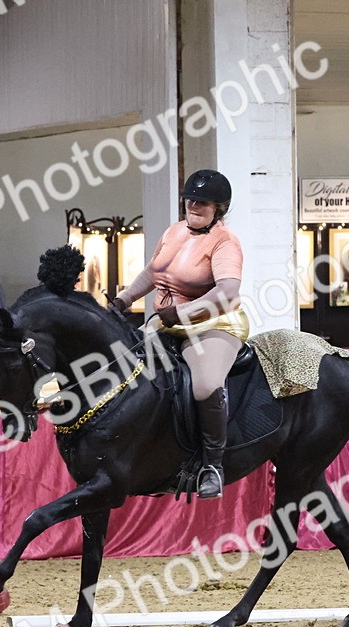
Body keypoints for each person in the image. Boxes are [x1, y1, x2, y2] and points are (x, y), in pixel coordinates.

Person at [111, 169, 246, 499]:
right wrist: (124, 299)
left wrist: (183, 312)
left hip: (213, 324)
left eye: (203, 203)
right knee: (126, 369)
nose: (194, 206)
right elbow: (152, 272)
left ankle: (213, 466)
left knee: (204, 385)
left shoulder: (225, 241)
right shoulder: (173, 232)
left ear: (219, 208)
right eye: (190, 200)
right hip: (168, 323)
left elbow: (228, 291)